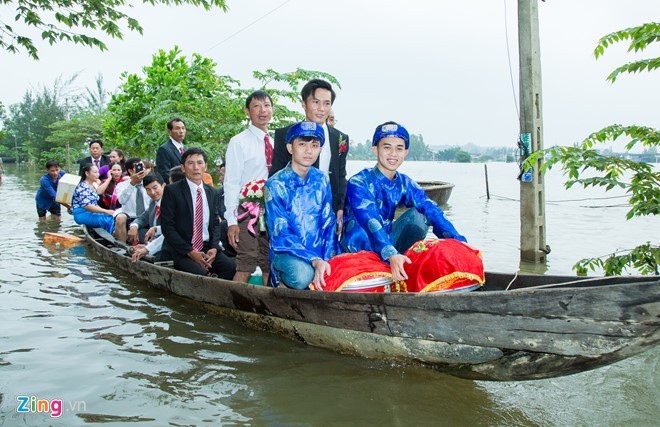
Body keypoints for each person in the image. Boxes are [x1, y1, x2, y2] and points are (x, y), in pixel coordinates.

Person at [341, 121, 467, 281]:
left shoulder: (404, 183)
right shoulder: (359, 182)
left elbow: (430, 208)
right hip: (358, 248)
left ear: (406, 152)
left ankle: (401, 263)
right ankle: (393, 261)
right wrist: (391, 254)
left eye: (399, 148)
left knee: (420, 216)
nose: (393, 153)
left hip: (388, 244)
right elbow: (369, 220)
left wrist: (459, 241)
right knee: (373, 229)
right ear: (375, 149)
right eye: (387, 147)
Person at [270, 79, 349, 231]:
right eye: (315, 102)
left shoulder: (340, 138)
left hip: (328, 212)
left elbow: (340, 175)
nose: (321, 109)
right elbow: (277, 172)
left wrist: (340, 207)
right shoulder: (285, 134)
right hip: (294, 212)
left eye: (327, 103)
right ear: (304, 104)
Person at [265, 122, 336, 289]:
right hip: (287, 251)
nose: (309, 150)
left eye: (314, 145)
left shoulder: (322, 180)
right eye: (302, 144)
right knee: (303, 275)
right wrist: (313, 259)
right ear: (290, 147)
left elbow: (328, 222)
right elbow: (281, 233)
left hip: (318, 252)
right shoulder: (275, 184)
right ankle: (281, 281)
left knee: (341, 268)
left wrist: (326, 259)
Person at [160, 147, 235, 278]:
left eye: (200, 163)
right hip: (181, 249)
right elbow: (167, 227)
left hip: (207, 248)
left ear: (205, 166)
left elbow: (215, 224)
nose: (196, 167)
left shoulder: (212, 192)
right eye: (190, 163)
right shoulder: (172, 191)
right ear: (183, 168)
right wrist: (190, 252)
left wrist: (214, 248)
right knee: (201, 276)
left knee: (230, 268)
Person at [224, 90, 273, 285]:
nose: (263, 111)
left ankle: (269, 306)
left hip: (270, 211)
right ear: (247, 111)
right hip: (246, 211)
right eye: (256, 106)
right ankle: (232, 306)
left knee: (269, 262)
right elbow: (231, 182)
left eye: (267, 105)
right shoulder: (238, 142)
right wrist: (231, 221)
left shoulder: (275, 142)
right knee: (246, 263)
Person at [129, 173, 166, 262]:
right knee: (137, 231)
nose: (152, 192)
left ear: (163, 186)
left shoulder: (171, 203)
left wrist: (148, 247)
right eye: (148, 190)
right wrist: (134, 226)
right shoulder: (153, 202)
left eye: (155, 188)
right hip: (154, 240)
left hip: (167, 243)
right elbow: (143, 218)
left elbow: (169, 232)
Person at [113, 158, 151, 243]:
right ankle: (122, 247)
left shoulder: (150, 184)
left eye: (143, 167)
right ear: (130, 171)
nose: (142, 170)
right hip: (130, 217)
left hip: (147, 217)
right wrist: (132, 183)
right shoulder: (122, 185)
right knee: (120, 218)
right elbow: (122, 201)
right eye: (138, 167)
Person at [72, 164, 116, 233]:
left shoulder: (93, 185)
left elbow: (98, 196)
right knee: (107, 220)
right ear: (87, 173)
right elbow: (88, 206)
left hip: (91, 212)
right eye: (95, 172)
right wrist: (106, 211)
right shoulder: (83, 187)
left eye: (98, 172)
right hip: (82, 214)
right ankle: (112, 237)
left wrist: (106, 212)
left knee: (111, 217)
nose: (98, 175)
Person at [156, 118, 186, 183]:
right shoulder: (164, 149)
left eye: (183, 128)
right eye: (177, 128)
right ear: (169, 131)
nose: (181, 131)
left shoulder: (185, 148)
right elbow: (164, 173)